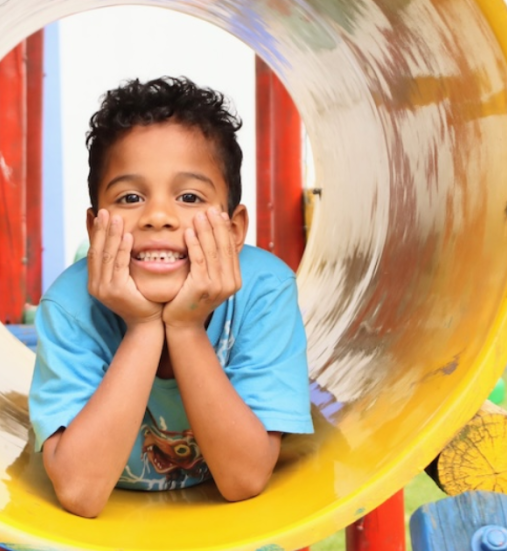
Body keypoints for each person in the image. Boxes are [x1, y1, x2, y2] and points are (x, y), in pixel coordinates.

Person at [28, 76, 313, 518]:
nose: (158, 216)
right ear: (94, 227)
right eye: (129, 197)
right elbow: (81, 491)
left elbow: (245, 478)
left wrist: (184, 326)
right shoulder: (70, 306)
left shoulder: (264, 290)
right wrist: (143, 327)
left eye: (188, 196)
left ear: (234, 229)